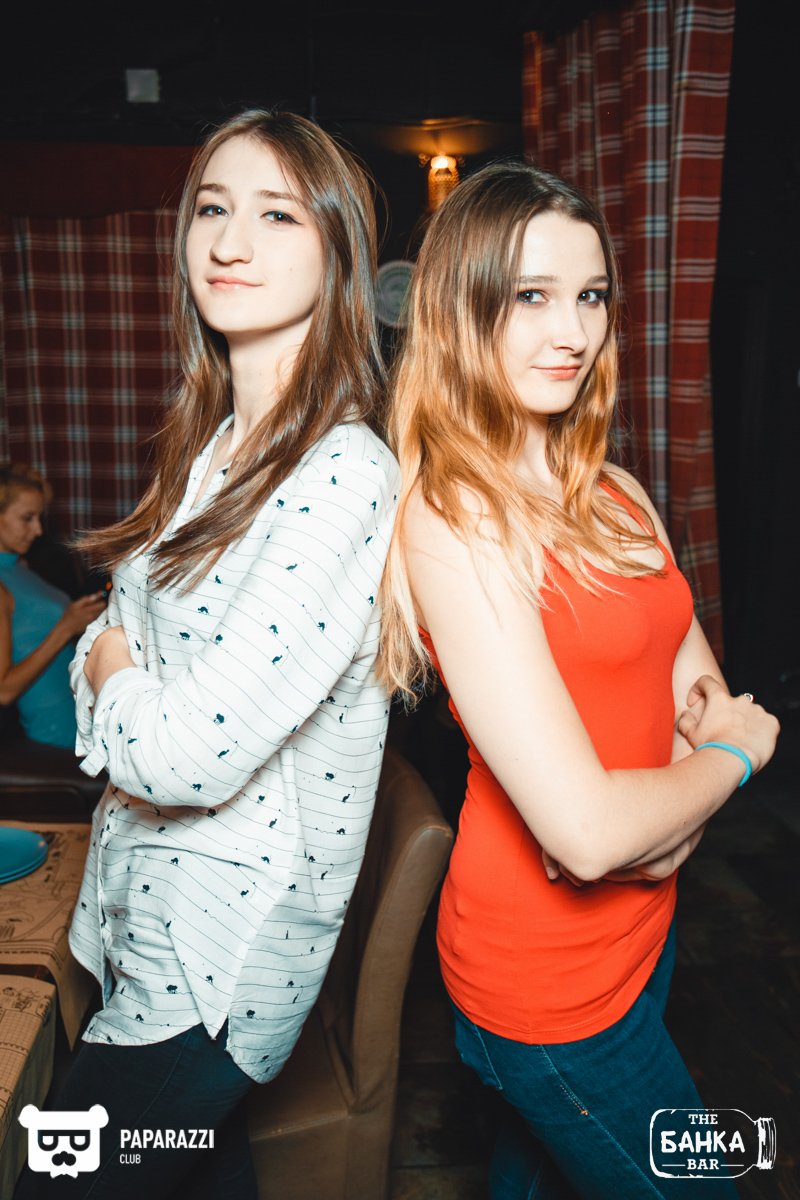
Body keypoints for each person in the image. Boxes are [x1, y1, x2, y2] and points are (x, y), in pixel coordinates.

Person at [17, 109, 399, 1200]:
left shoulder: (338, 474)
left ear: (336, 252)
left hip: (215, 959)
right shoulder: (221, 443)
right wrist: (118, 664)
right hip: (148, 912)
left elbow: (184, 754)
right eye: (212, 210)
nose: (230, 243)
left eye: (276, 215)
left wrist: (111, 667)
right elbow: (117, 635)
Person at [379, 161, 779, 1200]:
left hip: (643, 933)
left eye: (590, 295)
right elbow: (601, 829)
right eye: (531, 295)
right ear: (460, 311)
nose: (572, 331)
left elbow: (695, 700)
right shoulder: (454, 523)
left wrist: (664, 822)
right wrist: (733, 761)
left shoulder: (619, 495)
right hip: (544, 984)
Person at [0, 464, 105, 748]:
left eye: (39, 517)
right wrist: (66, 627)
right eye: (27, 518)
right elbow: (4, 691)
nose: (38, 530)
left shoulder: (20, 567)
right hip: (56, 732)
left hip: (81, 714)